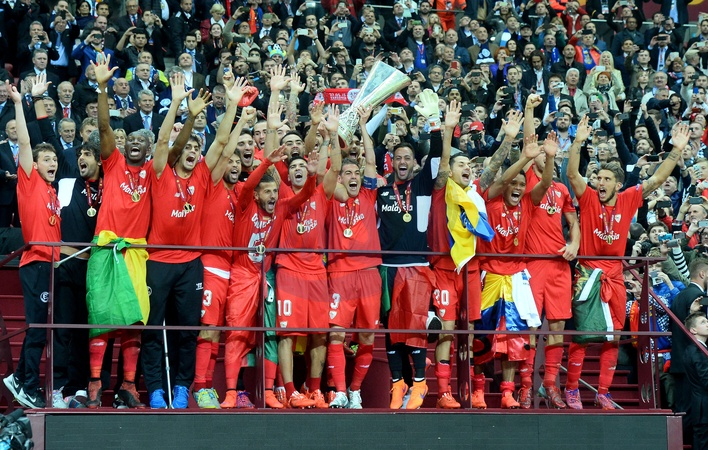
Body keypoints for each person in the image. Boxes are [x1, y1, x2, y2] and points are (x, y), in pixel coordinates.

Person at [564, 116, 691, 409]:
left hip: (615, 274)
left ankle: (603, 392)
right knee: (583, 336)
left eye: (607, 179)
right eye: (598, 178)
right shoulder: (588, 198)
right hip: (588, 274)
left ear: (618, 184)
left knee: (612, 337)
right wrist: (578, 142)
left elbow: (657, 180)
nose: (600, 182)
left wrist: (676, 150)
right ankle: (571, 389)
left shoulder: (628, 198)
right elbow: (572, 174)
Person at [82, 53, 156, 409]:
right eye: (130, 139)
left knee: (133, 322)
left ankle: (127, 386)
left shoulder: (154, 173)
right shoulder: (112, 164)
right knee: (101, 320)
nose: (134, 142)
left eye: (141, 140)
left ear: (149, 149)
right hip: (105, 248)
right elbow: (104, 128)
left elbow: (172, 150)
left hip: (136, 253)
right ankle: (95, 384)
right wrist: (101, 88)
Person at [475, 114, 557, 409]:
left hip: (517, 278)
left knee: (513, 340)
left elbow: (545, 183)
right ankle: (478, 390)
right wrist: (524, 158)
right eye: (515, 183)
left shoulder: (527, 203)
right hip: (489, 274)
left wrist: (548, 158)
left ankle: (507, 392)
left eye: (523, 184)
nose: (518, 187)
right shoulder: (490, 198)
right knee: (483, 336)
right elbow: (503, 179)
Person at [141, 76, 213, 410]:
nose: (190, 153)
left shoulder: (201, 174)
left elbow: (222, 141)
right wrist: (177, 105)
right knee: (152, 329)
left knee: (187, 330)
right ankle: (156, 389)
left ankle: (182, 387)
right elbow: (162, 142)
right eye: (184, 148)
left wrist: (225, 109)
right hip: (157, 261)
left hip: (190, 264)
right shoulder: (159, 171)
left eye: (195, 149)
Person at [192, 87, 254, 408]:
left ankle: (214, 387)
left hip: (234, 269)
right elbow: (223, 145)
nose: (233, 163)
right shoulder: (213, 183)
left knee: (222, 332)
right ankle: (200, 386)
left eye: (237, 162)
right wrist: (238, 113)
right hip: (211, 265)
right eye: (228, 160)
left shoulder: (240, 192)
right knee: (208, 329)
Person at [379, 89, 440, 411]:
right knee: (392, 330)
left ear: (415, 163)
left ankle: (419, 383)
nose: (402, 162)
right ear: (392, 161)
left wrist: (435, 124)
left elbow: (438, 156)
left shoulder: (422, 186)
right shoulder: (381, 190)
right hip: (388, 268)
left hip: (416, 266)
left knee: (415, 328)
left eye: (407, 158)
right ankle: (396, 383)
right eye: (397, 158)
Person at [1, 79, 60, 409]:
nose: (53, 163)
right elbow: (25, 141)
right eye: (46, 159)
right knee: (38, 329)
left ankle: (20, 379)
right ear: (34, 165)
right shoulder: (29, 181)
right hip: (35, 263)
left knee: (42, 328)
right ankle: (27, 382)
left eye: (54, 159)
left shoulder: (52, 192)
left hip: (50, 265)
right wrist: (18, 102)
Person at [520, 95, 580, 410]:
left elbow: (574, 223)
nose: (548, 156)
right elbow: (529, 142)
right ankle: (525, 386)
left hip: (559, 265)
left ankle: (551, 384)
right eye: (544, 153)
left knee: (558, 327)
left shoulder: (563, 190)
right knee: (531, 328)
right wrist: (530, 109)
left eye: (551, 153)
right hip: (533, 264)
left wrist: (575, 244)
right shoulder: (531, 182)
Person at [325, 105, 382, 409]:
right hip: (340, 273)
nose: (353, 177)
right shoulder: (331, 197)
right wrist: (333, 135)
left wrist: (363, 126)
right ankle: (340, 391)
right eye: (347, 173)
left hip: (370, 273)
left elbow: (370, 160)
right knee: (336, 334)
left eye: (356, 173)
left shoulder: (369, 194)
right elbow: (332, 168)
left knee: (368, 337)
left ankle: (356, 391)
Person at [670, 259, 708, 441]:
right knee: (693, 410)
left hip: (679, 359)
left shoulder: (680, 295)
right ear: (702, 274)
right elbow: (693, 324)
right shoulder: (698, 296)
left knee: (683, 408)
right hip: (694, 362)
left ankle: (680, 441)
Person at [683, 312, 708, 450]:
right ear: (693, 330)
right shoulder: (697, 350)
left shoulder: (695, 349)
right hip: (704, 406)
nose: (707, 324)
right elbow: (705, 378)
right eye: (703, 322)